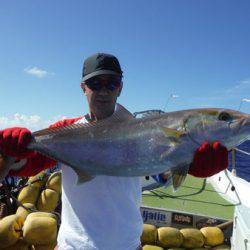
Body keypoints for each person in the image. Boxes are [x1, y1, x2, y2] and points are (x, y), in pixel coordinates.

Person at [0, 53, 228, 250]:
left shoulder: (142, 131)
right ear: (83, 87)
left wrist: (189, 163)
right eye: (95, 83)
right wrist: (12, 149)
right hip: (74, 245)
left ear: (120, 87)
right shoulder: (63, 132)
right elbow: (25, 166)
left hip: (127, 245)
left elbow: (160, 173)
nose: (103, 91)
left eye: (111, 83)